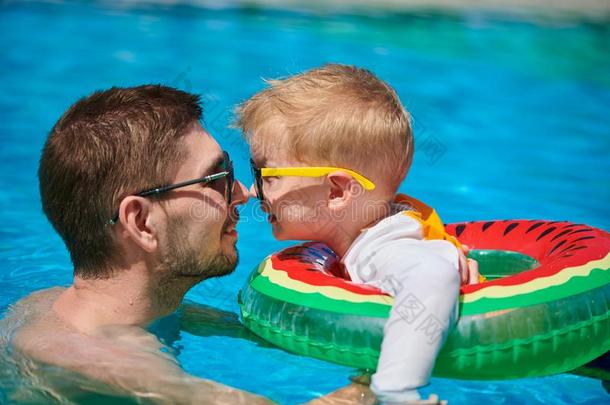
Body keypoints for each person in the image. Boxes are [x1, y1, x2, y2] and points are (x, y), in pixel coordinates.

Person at [1, 84, 274, 404]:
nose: (242, 192)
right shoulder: (107, 364)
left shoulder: (45, 303)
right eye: (216, 179)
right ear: (142, 222)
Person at [236, 64, 480, 404]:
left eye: (266, 175)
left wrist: (395, 388)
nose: (252, 189)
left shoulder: (383, 250)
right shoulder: (381, 232)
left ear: (336, 192)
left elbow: (432, 277)